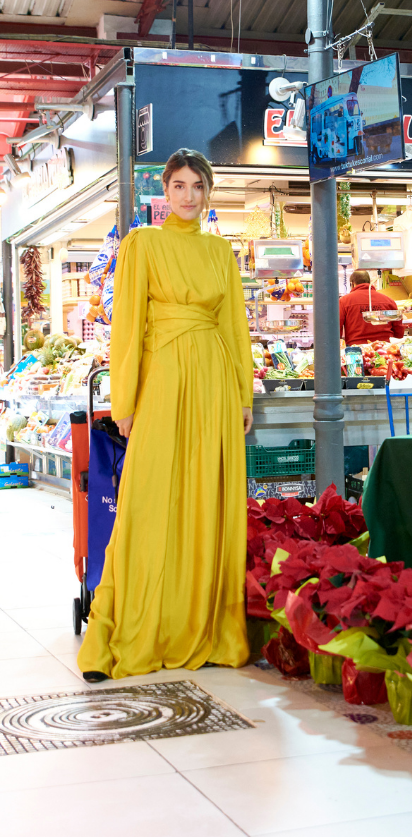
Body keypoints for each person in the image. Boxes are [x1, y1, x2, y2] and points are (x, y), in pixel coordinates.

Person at [78, 148, 254, 681]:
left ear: (207, 192)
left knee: (207, 495)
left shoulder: (221, 252)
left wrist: (245, 395)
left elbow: (234, 327)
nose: (187, 195)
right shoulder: (142, 244)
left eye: (197, 186)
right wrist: (125, 401)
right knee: (147, 501)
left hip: (214, 380)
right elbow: (127, 325)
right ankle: (128, 626)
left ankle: (205, 627)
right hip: (162, 381)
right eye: (178, 185)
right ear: (164, 192)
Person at [339, 270, 405, 346]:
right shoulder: (388, 301)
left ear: (352, 284)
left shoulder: (344, 301)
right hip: (385, 348)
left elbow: (337, 328)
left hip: (357, 349)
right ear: (369, 282)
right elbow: (398, 329)